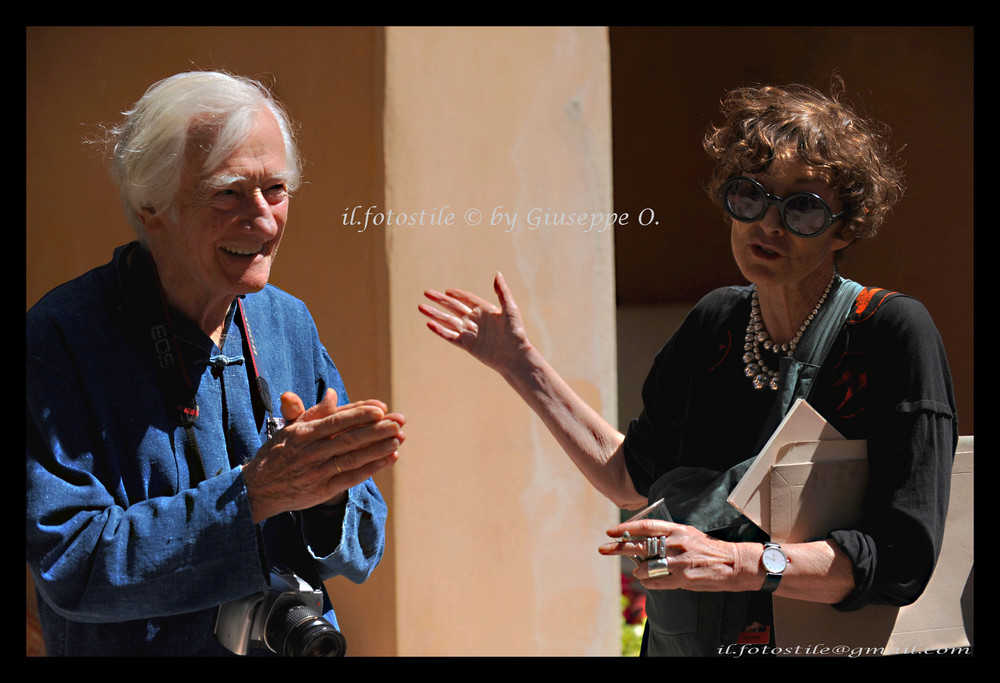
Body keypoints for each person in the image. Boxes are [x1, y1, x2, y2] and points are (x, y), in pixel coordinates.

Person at [418, 81, 957, 656]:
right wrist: (522, 367)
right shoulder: (715, 323)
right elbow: (632, 479)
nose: (769, 224)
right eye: (751, 195)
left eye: (802, 206)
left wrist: (738, 562)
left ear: (847, 226)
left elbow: (903, 559)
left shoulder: (890, 331)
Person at [26, 71, 405, 656]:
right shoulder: (63, 337)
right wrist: (253, 495)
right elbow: (72, 563)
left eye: (276, 189)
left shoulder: (287, 322)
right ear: (152, 205)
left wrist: (326, 495)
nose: (262, 219)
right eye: (228, 192)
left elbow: (365, 536)